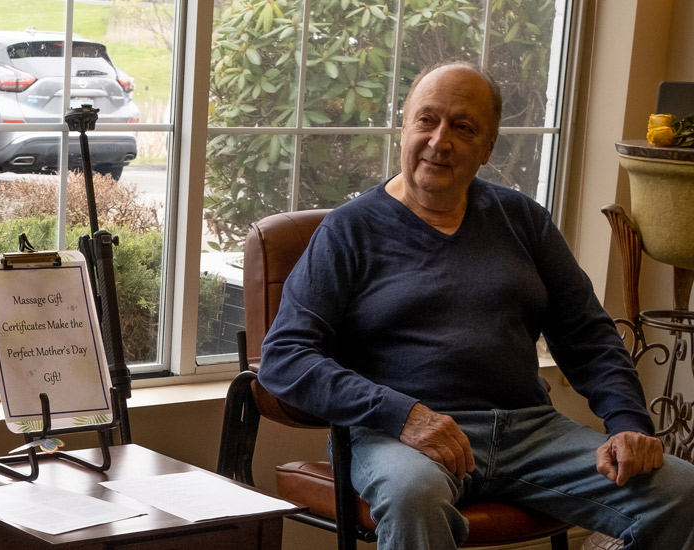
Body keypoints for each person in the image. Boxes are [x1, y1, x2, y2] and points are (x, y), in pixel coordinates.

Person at [257, 61, 694, 549]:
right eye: (427, 119)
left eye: (463, 127)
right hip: (398, 437)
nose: (439, 140)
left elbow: (589, 337)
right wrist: (403, 414)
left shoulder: (523, 220)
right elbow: (285, 357)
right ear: (403, 125)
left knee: (681, 491)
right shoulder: (348, 231)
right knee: (412, 494)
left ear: (487, 147)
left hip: (531, 434)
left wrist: (628, 422)